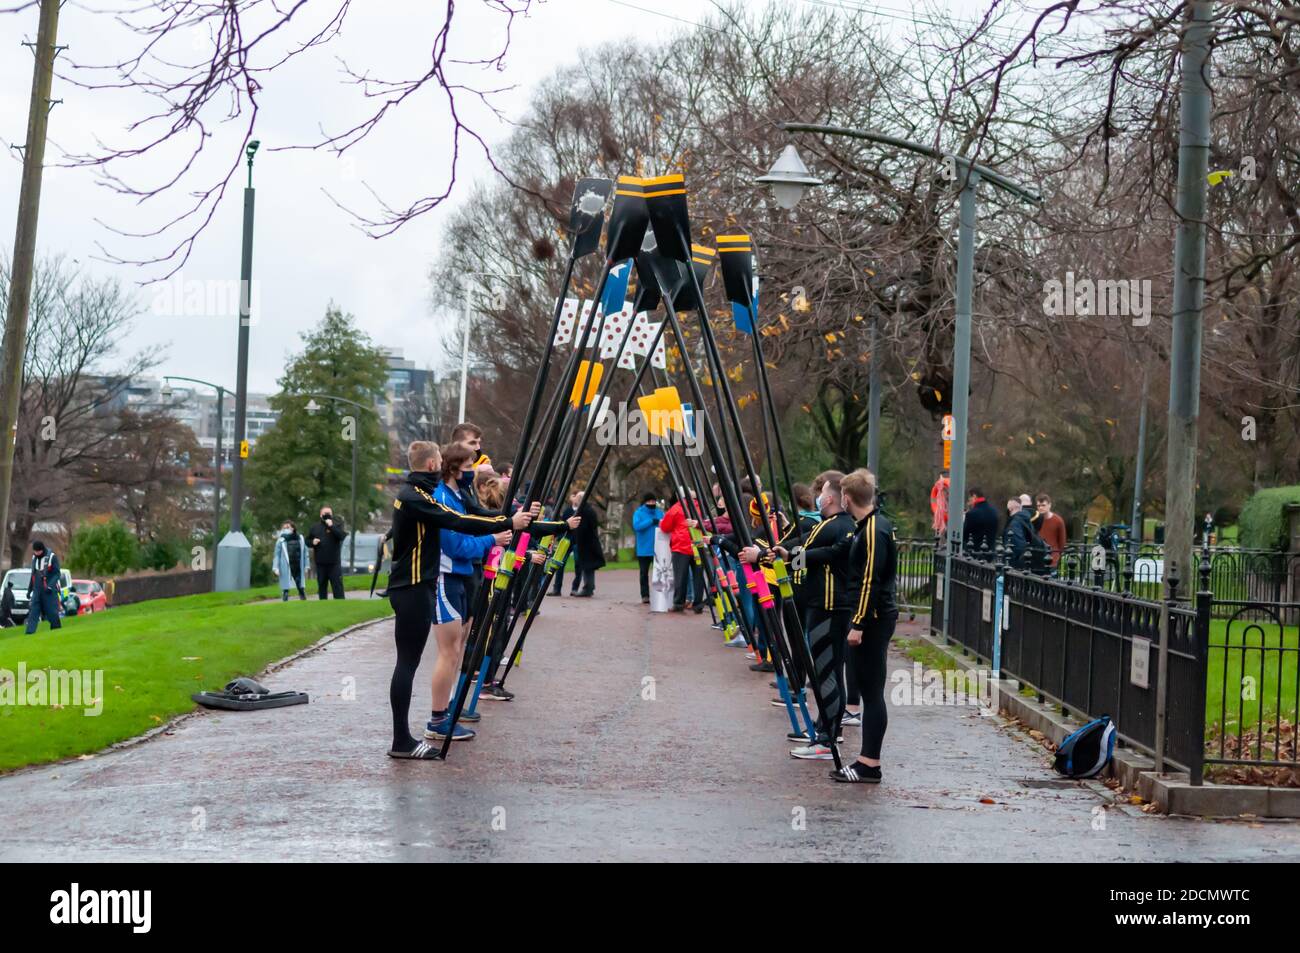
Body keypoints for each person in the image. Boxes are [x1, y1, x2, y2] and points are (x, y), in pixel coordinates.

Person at [384, 440, 552, 759]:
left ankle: (406, 737)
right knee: (408, 662)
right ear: (434, 465)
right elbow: (458, 523)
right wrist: (506, 525)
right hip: (413, 587)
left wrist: (516, 518)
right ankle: (404, 739)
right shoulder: (417, 497)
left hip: (418, 585)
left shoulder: (418, 494)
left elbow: (473, 514)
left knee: (416, 660)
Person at [427, 442, 513, 742]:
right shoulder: (442, 498)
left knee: (458, 650)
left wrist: (513, 519)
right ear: (452, 468)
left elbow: (480, 520)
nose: (471, 473)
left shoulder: (460, 495)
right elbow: (455, 546)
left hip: (462, 577)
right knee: (448, 652)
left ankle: (448, 708)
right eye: (467, 468)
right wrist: (492, 540)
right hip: (446, 576)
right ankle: (437, 720)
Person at [783, 470, 858, 760]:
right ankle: (828, 729)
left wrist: (775, 557)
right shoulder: (845, 525)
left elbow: (804, 553)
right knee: (832, 672)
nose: (818, 497)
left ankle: (826, 738)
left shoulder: (831, 525)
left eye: (822, 492)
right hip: (835, 607)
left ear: (828, 498)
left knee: (824, 672)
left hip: (825, 607)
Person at [831, 468, 898, 784]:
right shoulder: (871, 526)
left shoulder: (873, 531)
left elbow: (870, 581)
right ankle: (866, 760)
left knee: (871, 691)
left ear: (846, 497)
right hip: (870, 617)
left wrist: (857, 624)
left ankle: (869, 762)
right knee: (869, 688)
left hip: (871, 619)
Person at [658, 490, 701, 612]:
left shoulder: (676, 508)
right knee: (698, 577)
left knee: (681, 577)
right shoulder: (700, 507)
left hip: (681, 546)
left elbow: (665, 527)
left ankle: (678, 604)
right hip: (698, 545)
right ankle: (698, 605)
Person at [565, 490, 604, 597]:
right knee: (587, 567)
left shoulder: (585, 511)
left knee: (588, 567)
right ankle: (589, 586)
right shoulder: (588, 510)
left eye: (577, 498)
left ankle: (588, 587)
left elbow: (583, 528)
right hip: (588, 543)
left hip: (586, 544)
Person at [307, 506, 347, 599]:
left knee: (337, 586)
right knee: (322, 586)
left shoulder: (337, 525)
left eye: (329, 514)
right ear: (321, 515)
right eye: (325, 514)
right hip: (320, 563)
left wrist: (331, 526)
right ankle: (323, 604)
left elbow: (342, 536)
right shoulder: (315, 527)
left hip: (334, 563)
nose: (327, 516)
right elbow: (307, 540)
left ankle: (340, 604)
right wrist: (312, 542)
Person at [25, 540, 63, 633]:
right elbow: (33, 575)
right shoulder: (34, 558)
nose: (37, 553)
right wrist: (29, 590)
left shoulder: (52, 557)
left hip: (49, 590)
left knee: (52, 613)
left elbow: (57, 574)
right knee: (33, 612)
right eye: (35, 551)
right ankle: (29, 633)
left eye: (38, 551)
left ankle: (56, 632)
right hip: (37, 590)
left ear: (42, 550)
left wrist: (50, 586)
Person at [631, 492, 662, 604]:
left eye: (653, 501)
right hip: (643, 550)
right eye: (649, 501)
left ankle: (660, 594)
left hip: (658, 549)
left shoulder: (660, 513)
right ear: (645, 502)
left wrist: (661, 523)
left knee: (659, 574)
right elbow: (637, 526)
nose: (651, 503)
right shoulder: (638, 513)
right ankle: (645, 596)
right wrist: (651, 521)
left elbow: (665, 525)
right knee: (644, 573)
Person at [272, 520, 308, 601]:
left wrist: (306, 565)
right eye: (284, 528)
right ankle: (285, 595)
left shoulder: (300, 538)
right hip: (286, 565)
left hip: (298, 564)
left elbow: (305, 553)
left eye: (288, 527)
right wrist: (275, 567)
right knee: (285, 582)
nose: (286, 529)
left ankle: (302, 594)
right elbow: (276, 555)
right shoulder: (281, 540)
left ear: (293, 528)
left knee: (299, 582)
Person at [961, 488, 999, 556]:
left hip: (974, 555)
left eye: (969, 498)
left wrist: (963, 519)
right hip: (990, 553)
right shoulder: (994, 511)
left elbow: (964, 535)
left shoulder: (971, 514)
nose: (969, 500)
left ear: (974, 496)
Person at [1035, 494, 1067, 569]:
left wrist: (1057, 556)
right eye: (1038, 506)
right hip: (1038, 558)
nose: (1041, 508)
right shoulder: (1035, 520)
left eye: (1043, 505)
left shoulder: (1058, 521)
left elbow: (1062, 542)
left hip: (1053, 559)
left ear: (1049, 505)